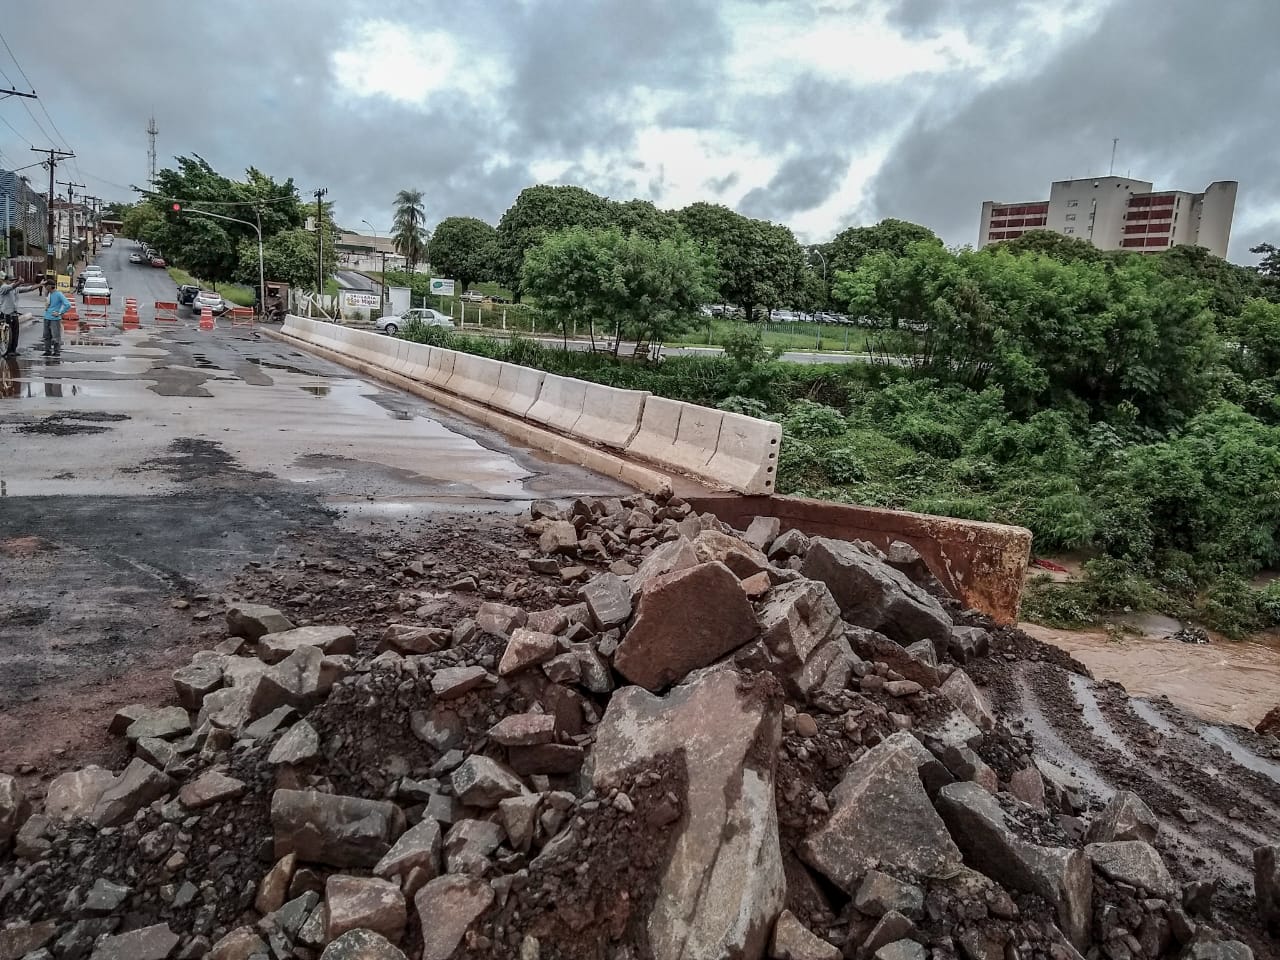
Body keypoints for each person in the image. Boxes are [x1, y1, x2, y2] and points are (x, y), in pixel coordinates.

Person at [0, 272, 39, 356]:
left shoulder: (16, 289)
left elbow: (29, 288)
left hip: (14, 314)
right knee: (8, 333)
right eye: (11, 280)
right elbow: (11, 287)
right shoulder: (4, 288)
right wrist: (19, 282)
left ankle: (13, 350)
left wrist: (40, 284)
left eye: (14, 280)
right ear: (6, 280)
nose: (13, 282)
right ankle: (8, 349)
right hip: (6, 313)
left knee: (15, 332)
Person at [41, 278, 70, 357]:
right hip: (47, 317)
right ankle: (47, 350)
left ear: (50, 286)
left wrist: (60, 313)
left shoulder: (58, 294)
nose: (45, 287)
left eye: (46, 286)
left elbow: (67, 304)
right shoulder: (48, 294)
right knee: (46, 335)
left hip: (55, 318)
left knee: (56, 336)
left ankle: (56, 352)